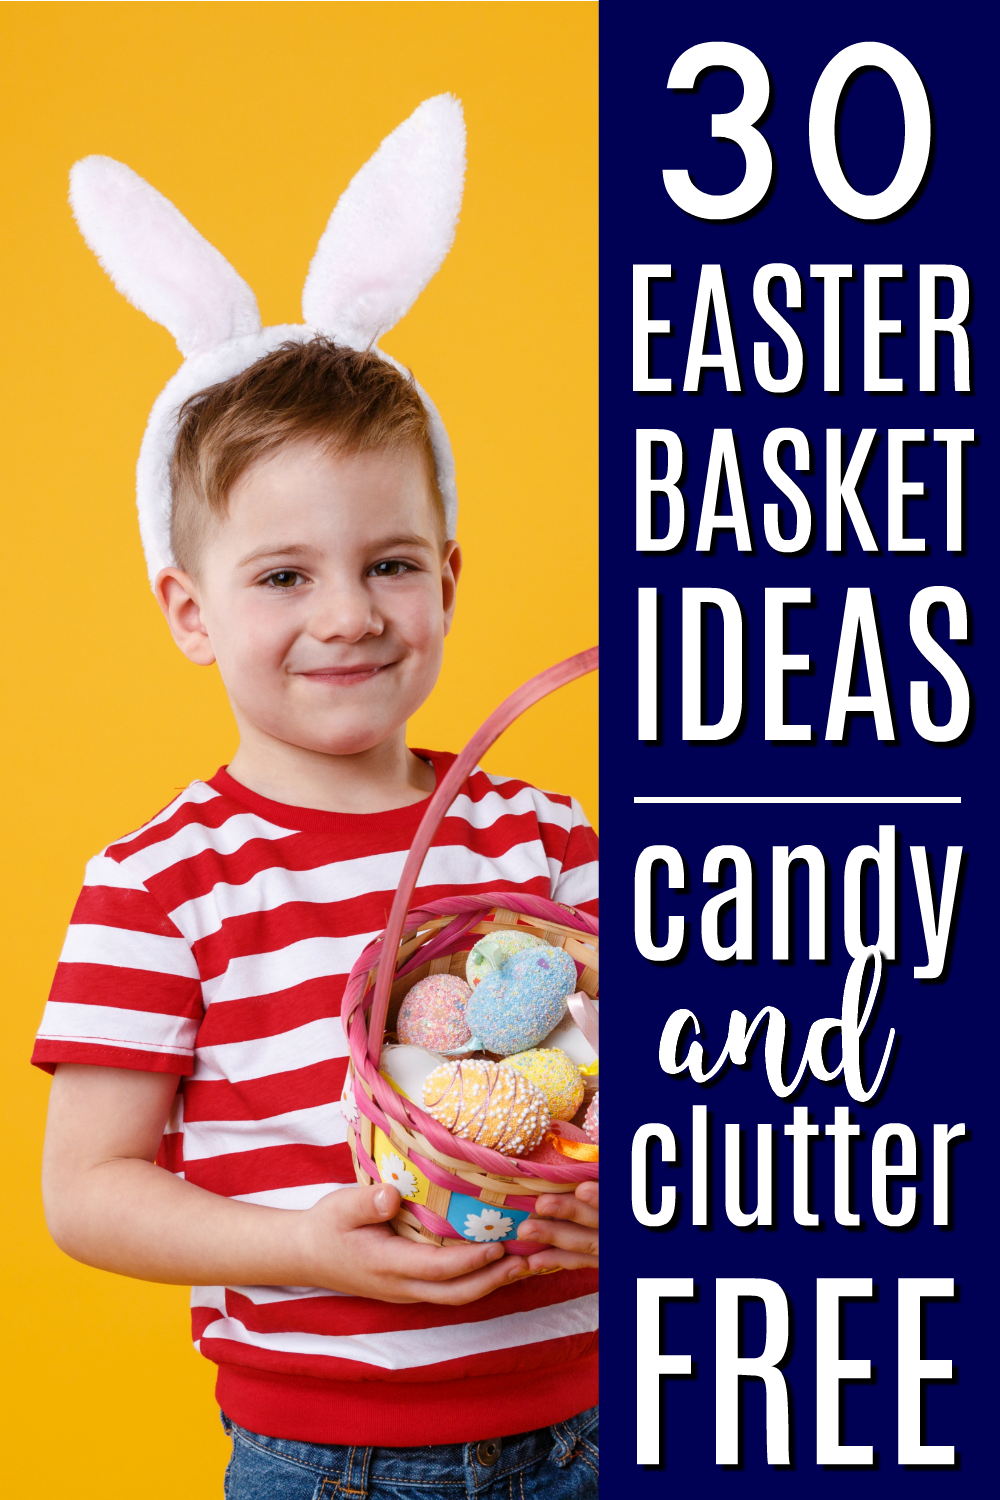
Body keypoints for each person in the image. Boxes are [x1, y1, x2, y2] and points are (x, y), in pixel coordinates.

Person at [34, 98, 598, 1499]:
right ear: (189, 608)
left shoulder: (552, 841)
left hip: (600, 1426)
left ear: (451, 580)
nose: (348, 615)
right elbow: (86, 1192)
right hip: (324, 1459)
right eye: (283, 576)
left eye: (391, 564)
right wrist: (297, 1248)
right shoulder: (163, 884)